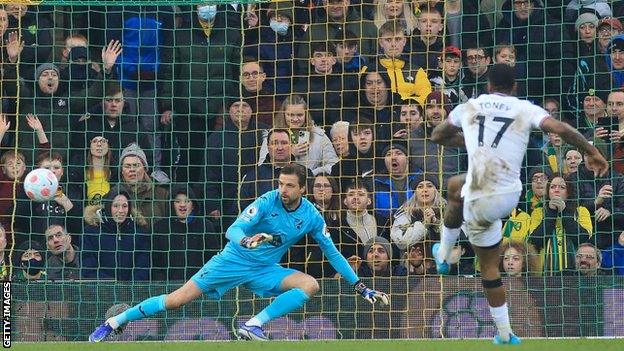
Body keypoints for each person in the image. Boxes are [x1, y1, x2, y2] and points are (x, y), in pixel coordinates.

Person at [89, 163, 388, 342]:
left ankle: (253, 324)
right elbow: (232, 230)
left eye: (289, 185)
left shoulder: (311, 216)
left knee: (310, 284)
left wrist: (361, 288)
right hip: (232, 260)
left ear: (303, 189)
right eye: (280, 183)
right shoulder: (267, 201)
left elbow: (333, 254)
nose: (282, 189)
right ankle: (114, 322)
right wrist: (245, 241)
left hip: (265, 270)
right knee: (176, 301)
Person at [429, 63, 608, 344]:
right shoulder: (525, 108)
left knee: (485, 259)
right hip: (510, 195)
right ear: (514, 87)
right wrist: (592, 151)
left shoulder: (472, 105)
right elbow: (560, 127)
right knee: (455, 186)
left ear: (488, 86)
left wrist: (472, 142)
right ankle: (506, 335)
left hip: (479, 199)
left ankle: (443, 255)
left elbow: (437, 135)